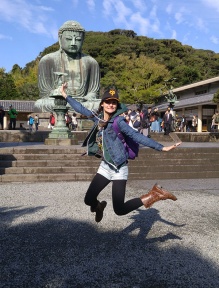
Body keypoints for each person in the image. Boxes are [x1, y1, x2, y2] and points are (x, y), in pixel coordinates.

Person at [60, 82, 181, 223]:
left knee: (120, 210)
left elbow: (137, 136)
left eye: (114, 103)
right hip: (105, 166)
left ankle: (154, 194)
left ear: (117, 105)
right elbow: (81, 108)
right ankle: (99, 207)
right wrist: (65, 95)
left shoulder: (119, 122)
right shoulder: (97, 119)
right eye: (108, 102)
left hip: (119, 168)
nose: (111, 105)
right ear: (102, 104)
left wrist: (161, 147)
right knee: (88, 199)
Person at [36, 20, 100, 112]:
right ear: (60, 38)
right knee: (40, 104)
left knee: (98, 105)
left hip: (83, 102)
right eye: (69, 39)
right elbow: (45, 93)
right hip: (58, 101)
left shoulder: (91, 62)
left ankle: (75, 106)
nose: (73, 43)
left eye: (78, 39)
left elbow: (93, 92)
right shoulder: (47, 60)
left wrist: (86, 98)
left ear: (83, 40)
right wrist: (59, 93)